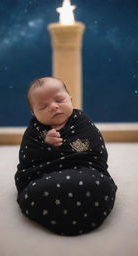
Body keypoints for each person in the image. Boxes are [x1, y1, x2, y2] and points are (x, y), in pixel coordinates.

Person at [14, 77, 118, 236]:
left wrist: (64, 146)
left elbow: (94, 150)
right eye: (43, 106)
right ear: (33, 113)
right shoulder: (35, 130)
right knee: (33, 193)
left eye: (59, 99)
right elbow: (28, 159)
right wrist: (46, 147)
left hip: (85, 169)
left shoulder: (81, 121)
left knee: (100, 184)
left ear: (70, 98)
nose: (54, 106)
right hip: (45, 175)